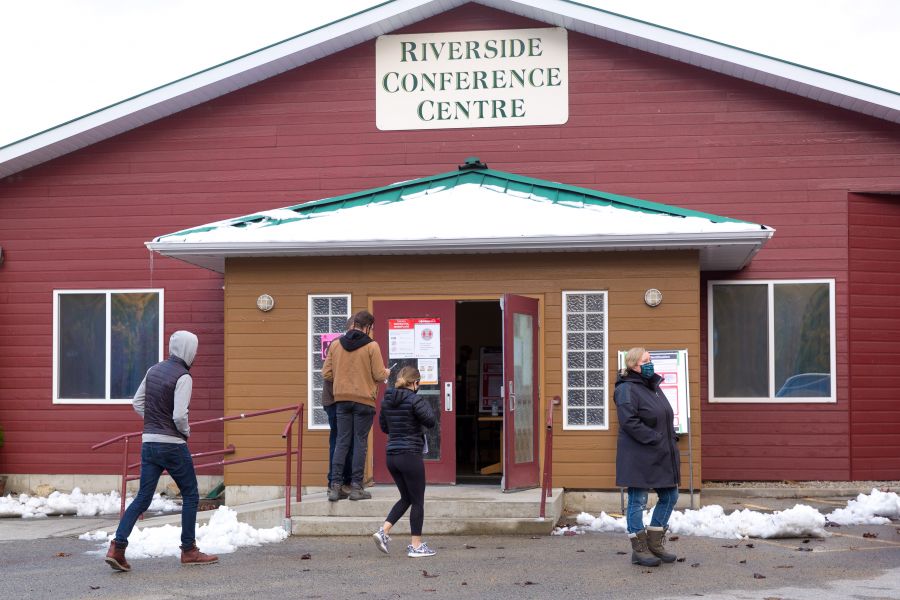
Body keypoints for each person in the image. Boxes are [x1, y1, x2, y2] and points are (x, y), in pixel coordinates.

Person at [105, 330, 218, 571]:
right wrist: (184, 431)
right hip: (172, 444)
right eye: (194, 349)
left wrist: (155, 421)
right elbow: (179, 415)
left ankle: (117, 547)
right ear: (188, 350)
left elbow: (137, 402)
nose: (195, 354)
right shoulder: (184, 376)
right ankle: (189, 550)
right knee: (190, 494)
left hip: (149, 442)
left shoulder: (153, 370)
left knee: (143, 498)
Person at [614, 347, 680, 567]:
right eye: (646, 360)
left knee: (670, 495)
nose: (651, 363)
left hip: (659, 452)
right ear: (634, 365)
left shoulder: (651, 386)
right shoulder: (626, 389)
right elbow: (629, 422)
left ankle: (654, 543)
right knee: (637, 501)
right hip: (639, 454)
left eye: (650, 359)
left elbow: (660, 416)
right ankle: (639, 549)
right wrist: (655, 438)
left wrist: (669, 437)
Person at [323, 310, 391, 502]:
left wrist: (344, 377)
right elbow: (378, 375)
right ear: (367, 326)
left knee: (342, 442)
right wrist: (386, 372)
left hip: (341, 400)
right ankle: (356, 488)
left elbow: (326, 373)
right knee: (360, 442)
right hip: (364, 401)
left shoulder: (336, 344)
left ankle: (335, 487)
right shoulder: (372, 346)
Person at [372, 366, 437, 557]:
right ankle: (416, 546)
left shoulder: (387, 400)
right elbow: (431, 420)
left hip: (392, 456)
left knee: (407, 498)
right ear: (415, 383)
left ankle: (383, 532)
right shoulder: (415, 399)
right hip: (410, 455)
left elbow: (384, 427)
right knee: (418, 501)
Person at [323, 319, 354, 499]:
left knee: (342, 441)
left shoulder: (339, 345)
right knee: (339, 441)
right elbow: (327, 373)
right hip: (336, 400)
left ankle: (342, 482)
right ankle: (336, 482)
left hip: (337, 399)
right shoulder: (340, 346)